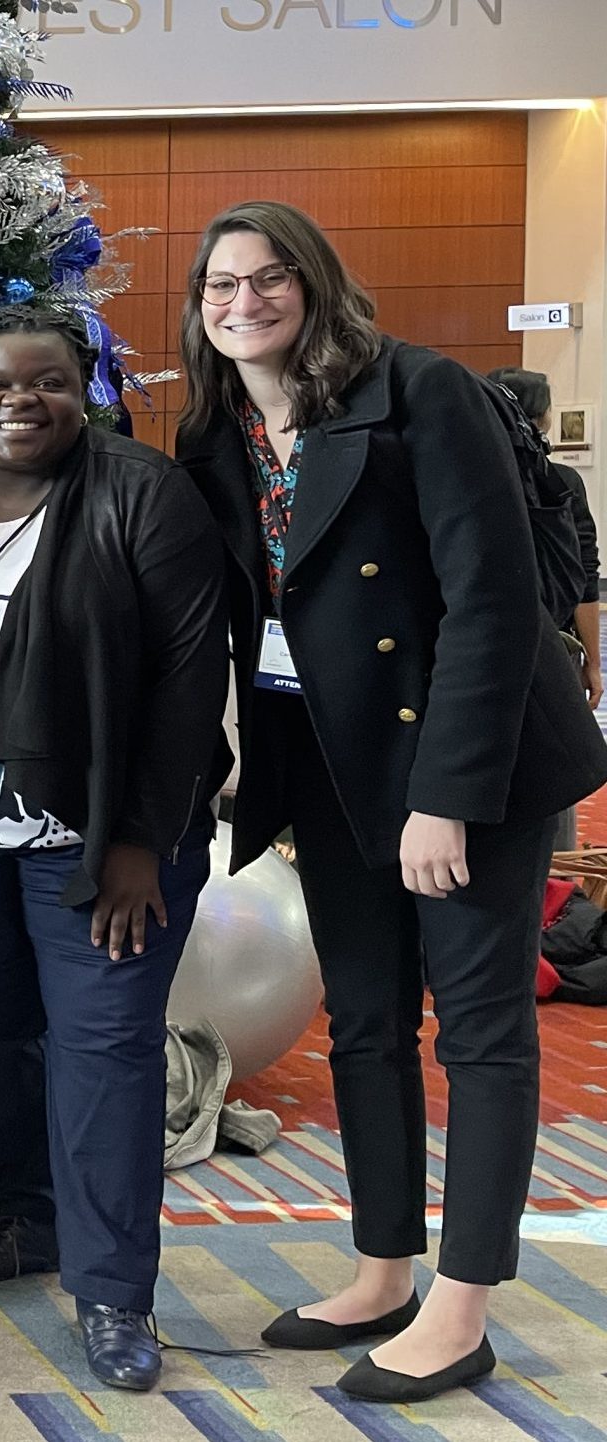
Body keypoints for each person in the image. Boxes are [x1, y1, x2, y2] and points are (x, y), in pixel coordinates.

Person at [175, 201, 607, 1404]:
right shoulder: (215, 436)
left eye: (268, 279)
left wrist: (447, 799)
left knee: (478, 1031)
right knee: (362, 1024)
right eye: (219, 286)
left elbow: (494, 602)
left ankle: (461, 1308)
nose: (243, 302)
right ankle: (380, 1268)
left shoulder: (421, 393)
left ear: (313, 285)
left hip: (470, 767)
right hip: (327, 759)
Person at [0, 304, 230, 1392]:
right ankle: (32, 1215)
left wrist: (137, 840)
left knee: (103, 1052)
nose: (21, 399)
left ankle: (117, 1294)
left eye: (50, 381)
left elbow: (182, 686)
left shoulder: (139, 494)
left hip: (99, 840)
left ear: (86, 388)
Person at [486, 366, 602, 711]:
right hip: (550, 639)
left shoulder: (465, 480)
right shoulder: (561, 482)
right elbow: (584, 575)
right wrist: (593, 663)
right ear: (543, 416)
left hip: (480, 638)